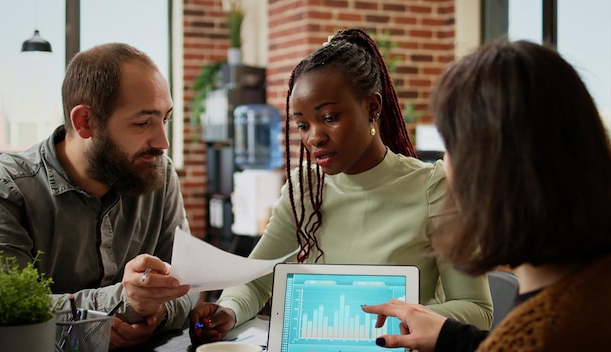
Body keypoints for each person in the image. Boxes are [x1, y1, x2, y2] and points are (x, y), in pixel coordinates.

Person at [188, 28, 493, 346]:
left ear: (372, 108)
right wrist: (228, 309)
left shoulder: (434, 188)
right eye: (303, 125)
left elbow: (477, 310)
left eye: (330, 117)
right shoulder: (305, 189)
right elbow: (254, 281)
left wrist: (401, 319)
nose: (314, 137)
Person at [361, 39, 611, 351]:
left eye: (450, 145)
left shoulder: (537, 337)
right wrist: (451, 337)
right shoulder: (591, 291)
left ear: (485, 173)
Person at [0, 43, 197, 349]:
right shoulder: (2, 189)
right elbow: (4, 311)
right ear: (85, 122)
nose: (162, 142)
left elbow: (189, 284)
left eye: (165, 119)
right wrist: (113, 309)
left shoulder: (158, 176)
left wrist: (158, 313)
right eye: (142, 123)